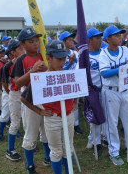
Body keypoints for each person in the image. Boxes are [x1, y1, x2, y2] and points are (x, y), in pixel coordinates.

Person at [21, 40, 77, 174]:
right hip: (53, 119)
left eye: (64, 58)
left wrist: (75, 101)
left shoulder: (67, 74)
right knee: (56, 150)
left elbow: (76, 90)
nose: (62, 62)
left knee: (68, 148)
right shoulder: (41, 78)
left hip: (68, 116)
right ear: (48, 58)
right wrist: (39, 111)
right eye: (58, 59)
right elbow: (24, 98)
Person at [99, 25, 128, 165]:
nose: (120, 37)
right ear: (108, 39)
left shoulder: (124, 50)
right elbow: (105, 73)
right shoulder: (103, 54)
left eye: (120, 35)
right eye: (116, 35)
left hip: (125, 89)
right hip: (110, 91)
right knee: (112, 123)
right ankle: (114, 152)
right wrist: (123, 66)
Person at [11, 27, 50, 174]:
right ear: (22, 44)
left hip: (45, 97)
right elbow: (17, 83)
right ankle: (30, 165)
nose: (35, 44)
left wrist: (47, 68)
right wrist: (32, 71)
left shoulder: (43, 56)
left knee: (46, 130)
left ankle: (48, 157)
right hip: (29, 99)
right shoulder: (21, 59)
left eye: (36, 41)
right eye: (31, 41)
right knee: (31, 132)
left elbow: (51, 75)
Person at [2, 39, 25, 160]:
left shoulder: (26, 61)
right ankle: (10, 149)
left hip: (26, 93)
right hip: (15, 93)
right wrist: (11, 93)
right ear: (12, 52)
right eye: (20, 49)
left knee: (26, 121)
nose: (23, 51)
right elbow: (5, 84)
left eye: (23, 48)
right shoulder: (8, 66)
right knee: (15, 122)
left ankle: (29, 144)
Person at [85, 27, 106, 156]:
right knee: (94, 117)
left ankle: (100, 138)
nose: (100, 40)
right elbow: (78, 73)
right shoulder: (84, 56)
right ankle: (95, 142)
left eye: (100, 37)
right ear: (89, 40)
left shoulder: (104, 52)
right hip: (92, 90)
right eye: (97, 38)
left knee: (105, 116)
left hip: (106, 89)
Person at [59, 31, 83, 135]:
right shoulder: (59, 55)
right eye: (69, 40)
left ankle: (75, 124)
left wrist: (74, 61)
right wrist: (70, 63)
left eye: (71, 39)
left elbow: (78, 66)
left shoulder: (75, 53)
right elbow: (59, 71)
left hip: (74, 81)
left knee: (75, 103)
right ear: (63, 42)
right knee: (64, 105)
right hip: (63, 83)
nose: (71, 41)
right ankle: (64, 125)